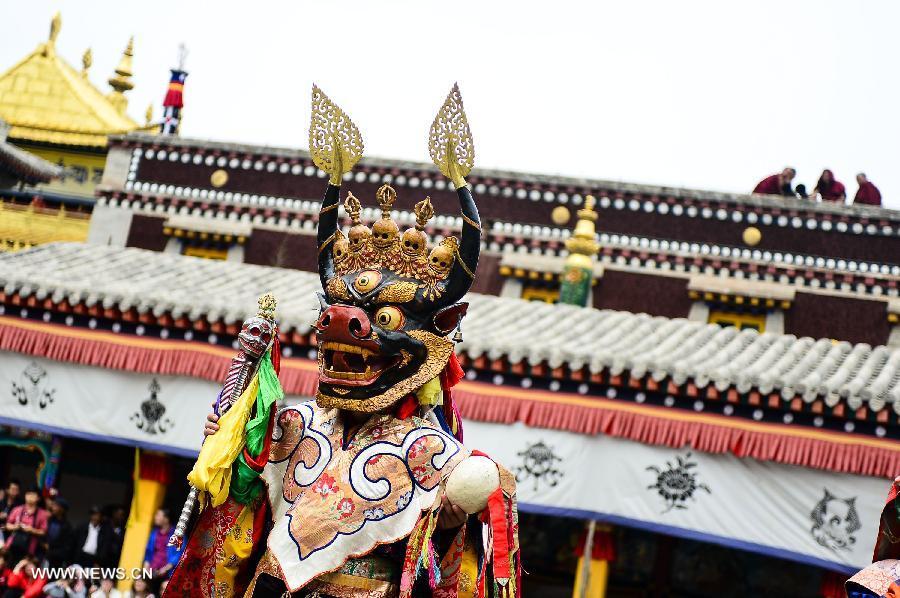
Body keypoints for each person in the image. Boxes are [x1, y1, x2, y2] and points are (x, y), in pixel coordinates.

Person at [165, 87, 521, 598]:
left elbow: (447, 562)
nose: (343, 325)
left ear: (440, 334)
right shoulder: (291, 426)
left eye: (386, 317)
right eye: (337, 310)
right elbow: (239, 519)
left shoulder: (435, 455)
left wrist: (455, 511)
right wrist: (232, 451)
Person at [4, 489, 48, 563]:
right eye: (28, 494)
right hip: (11, 545)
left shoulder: (43, 514)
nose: (29, 496)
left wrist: (32, 530)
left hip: (29, 549)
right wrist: (16, 526)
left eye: (33, 494)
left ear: (38, 498)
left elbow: (44, 532)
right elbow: (7, 525)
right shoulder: (17, 509)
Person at [141, 510, 179, 589]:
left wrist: (165, 569)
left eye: (158, 515)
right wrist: (146, 567)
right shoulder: (154, 533)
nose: (155, 518)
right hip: (152, 571)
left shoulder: (177, 534)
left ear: (166, 519)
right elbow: (148, 551)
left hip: (167, 573)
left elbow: (179, 554)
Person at [44, 498, 74, 569]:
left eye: (56, 506)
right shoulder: (49, 520)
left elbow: (66, 546)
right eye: (53, 505)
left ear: (62, 509)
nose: (53, 508)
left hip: (56, 558)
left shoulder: (67, 526)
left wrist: (52, 550)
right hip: (43, 553)